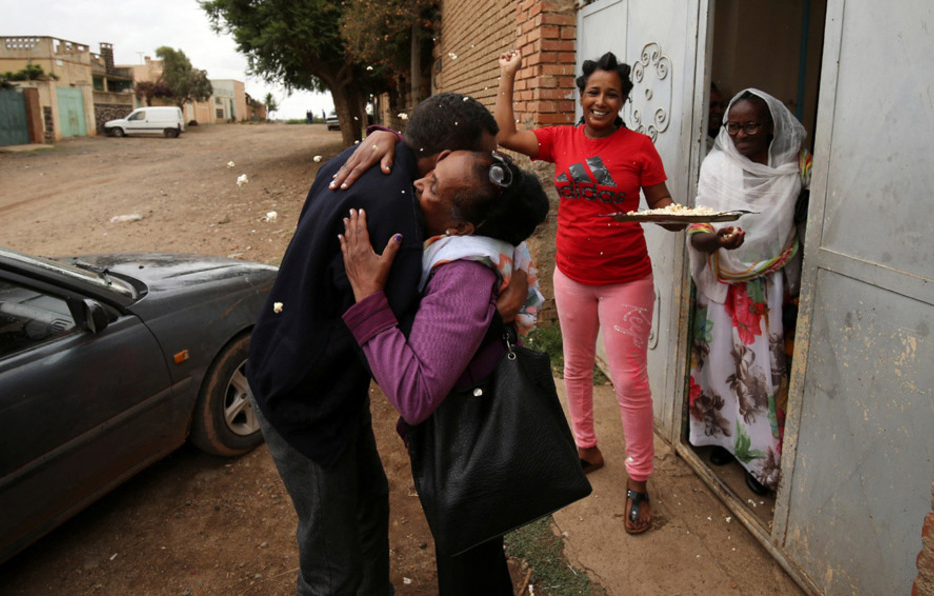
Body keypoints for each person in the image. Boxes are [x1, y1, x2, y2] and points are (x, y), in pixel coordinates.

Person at [246, 92, 524, 595]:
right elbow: (413, 376)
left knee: (366, 507)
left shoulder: (360, 161)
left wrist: (388, 135)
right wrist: (493, 316)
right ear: (440, 160)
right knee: (333, 564)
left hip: (306, 369)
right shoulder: (396, 220)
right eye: (479, 157)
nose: (488, 165)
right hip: (304, 396)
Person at [339, 150, 549, 595]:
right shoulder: (491, 236)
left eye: (433, 186)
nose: (418, 185)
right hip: (476, 436)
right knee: (479, 556)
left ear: (462, 229)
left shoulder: (463, 273)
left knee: (467, 565)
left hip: (466, 445)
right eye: (429, 174)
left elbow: (415, 396)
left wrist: (367, 297)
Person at [495, 49, 684, 534]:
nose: (602, 101)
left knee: (628, 380)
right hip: (572, 276)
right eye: (594, 92)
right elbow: (505, 135)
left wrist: (688, 219)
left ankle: (638, 481)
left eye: (612, 94)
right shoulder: (561, 140)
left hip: (627, 281)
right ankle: (585, 448)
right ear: (581, 96)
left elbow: (663, 205)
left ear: (623, 101)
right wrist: (508, 75)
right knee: (576, 366)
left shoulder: (640, 148)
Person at [686, 88, 810, 496]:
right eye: (733, 126)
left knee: (759, 374)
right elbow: (699, 228)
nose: (741, 134)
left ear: (771, 125)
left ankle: (761, 458)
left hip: (766, 286)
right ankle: (722, 440)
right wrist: (718, 240)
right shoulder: (717, 166)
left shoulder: (795, 168)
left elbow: (809, 214)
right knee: (721, 365)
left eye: (751, 125)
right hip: (724, 282)